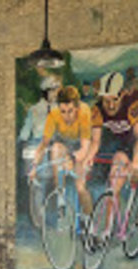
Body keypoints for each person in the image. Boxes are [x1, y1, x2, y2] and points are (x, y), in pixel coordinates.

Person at [86, 71, 138, 209]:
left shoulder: (132, 105)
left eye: (115, 100)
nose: (111, 106)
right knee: (114, 181)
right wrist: (88, 159)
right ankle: (111, 217)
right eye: (106, 101)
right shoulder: (97, 110)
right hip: (126, 141)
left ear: (123, 95)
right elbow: (95, 141)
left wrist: (136, 162)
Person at [29, 85, 94, 221]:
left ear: (77, 108)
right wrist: (34, 167)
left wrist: (72, 160)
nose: (66, 116)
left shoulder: (84, 112)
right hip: (65, 146)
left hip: (81, 148)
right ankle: (60, 198)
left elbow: (85, 148)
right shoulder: (54, 114)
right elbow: (43, 145)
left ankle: (88, 219)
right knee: (56, 148)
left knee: (80, 188)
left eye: (70, 111)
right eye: (63, 111)